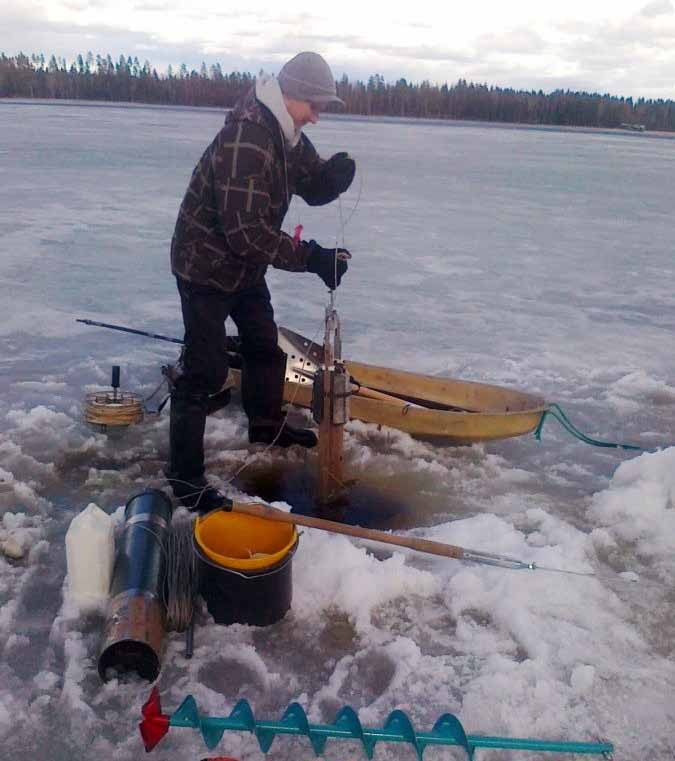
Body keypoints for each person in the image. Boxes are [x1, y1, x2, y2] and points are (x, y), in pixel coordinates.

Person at [167, 51, 355, 512]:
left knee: (263, 347)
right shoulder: (248, 139)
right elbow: (246, 232)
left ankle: (265, 424)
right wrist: (312, 257)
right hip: (205, 266)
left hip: (243, 266)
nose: (317, 116)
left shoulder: (285, 133)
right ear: (293, 97)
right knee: (205, 371)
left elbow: (309, 183)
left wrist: (331, 180)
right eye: (315, 105)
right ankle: (185, 478)